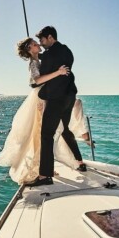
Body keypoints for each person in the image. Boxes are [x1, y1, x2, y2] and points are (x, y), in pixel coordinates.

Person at [0, 36, 89, 185]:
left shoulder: (39, 60)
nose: (37, 44)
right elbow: (37, 80)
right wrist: (58, 73)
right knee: (40, 136)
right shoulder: (33, 63)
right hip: (40, 102)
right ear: (29, 50)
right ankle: (42, 171)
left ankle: (47, 170)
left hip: (47, 99)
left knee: (48, 135)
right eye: (33, 44)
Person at [31, 26, 85, 186]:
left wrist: (36, 57)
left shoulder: (48, 56)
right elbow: (60, 62)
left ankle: (45, 176)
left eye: (42, 40)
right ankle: (79, 160)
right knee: (65, 129)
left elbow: (42, 76)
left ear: (49, 37)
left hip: (56, 98)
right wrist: (38, 55)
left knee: (46, 135)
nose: (41, 43)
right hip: (70, 96)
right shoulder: (67, 50)